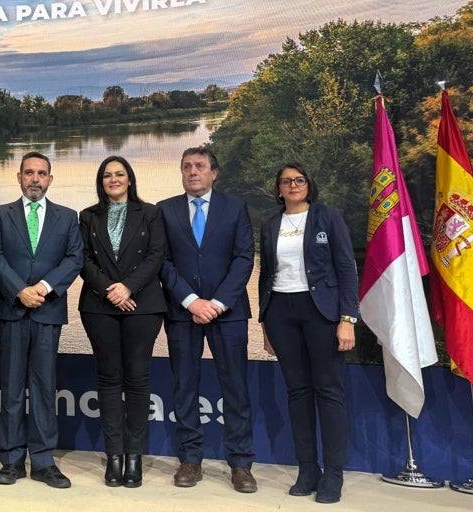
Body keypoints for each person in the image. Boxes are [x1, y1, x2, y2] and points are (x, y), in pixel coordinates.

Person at [157, 147, 257, 493]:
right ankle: (189, 460)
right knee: (185, 386)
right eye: (186, 167)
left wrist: (215, 303)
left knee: (236, 389)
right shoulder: (165, 210)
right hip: (182, 313)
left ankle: (241, 464)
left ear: (214, 172)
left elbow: (245, 258)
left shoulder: (235, 207)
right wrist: (190, 301)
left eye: (200, 166)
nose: (192, 172)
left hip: (227, 313)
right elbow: (163, 262)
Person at [258, 163, 357, 504]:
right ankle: (307, 469)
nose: (293, 185)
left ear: (308, 184)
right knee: (297, 392)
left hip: (322, 313)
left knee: (328, 392)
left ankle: (333, 473)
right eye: (286, 181)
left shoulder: (327, 218)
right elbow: (265, 275)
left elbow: (346, 268)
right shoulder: (271, 225)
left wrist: (348, 318)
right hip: (282, 313)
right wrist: (265, 323)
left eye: (298, 180)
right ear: (279, 189)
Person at [0, 151, 82, 489]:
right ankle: (11, 459)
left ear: (50, 179)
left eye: (41, 173)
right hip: (10, 308)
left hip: (48, 308)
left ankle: (43, 461)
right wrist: (19, 291)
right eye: (29, 172)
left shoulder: (68, 217)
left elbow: (74, 259)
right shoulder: (0, 214)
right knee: (12, 386)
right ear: (19, 177)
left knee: (44, 386)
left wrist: (40, 288)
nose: (35, 179)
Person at [78, 156, 166, 488]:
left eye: (120, 174)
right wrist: (109, 290)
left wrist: (129, 287)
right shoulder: (87, 217)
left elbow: (157, 255)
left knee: (138, 380)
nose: (113, 179)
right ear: (101, 182)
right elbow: (83, 259)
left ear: (130, 179)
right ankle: (114, 456)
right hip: (99, 307)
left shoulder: (151, 213)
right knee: (109, 379)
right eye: (107, 175)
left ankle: (134, 457)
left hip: (142, 306)